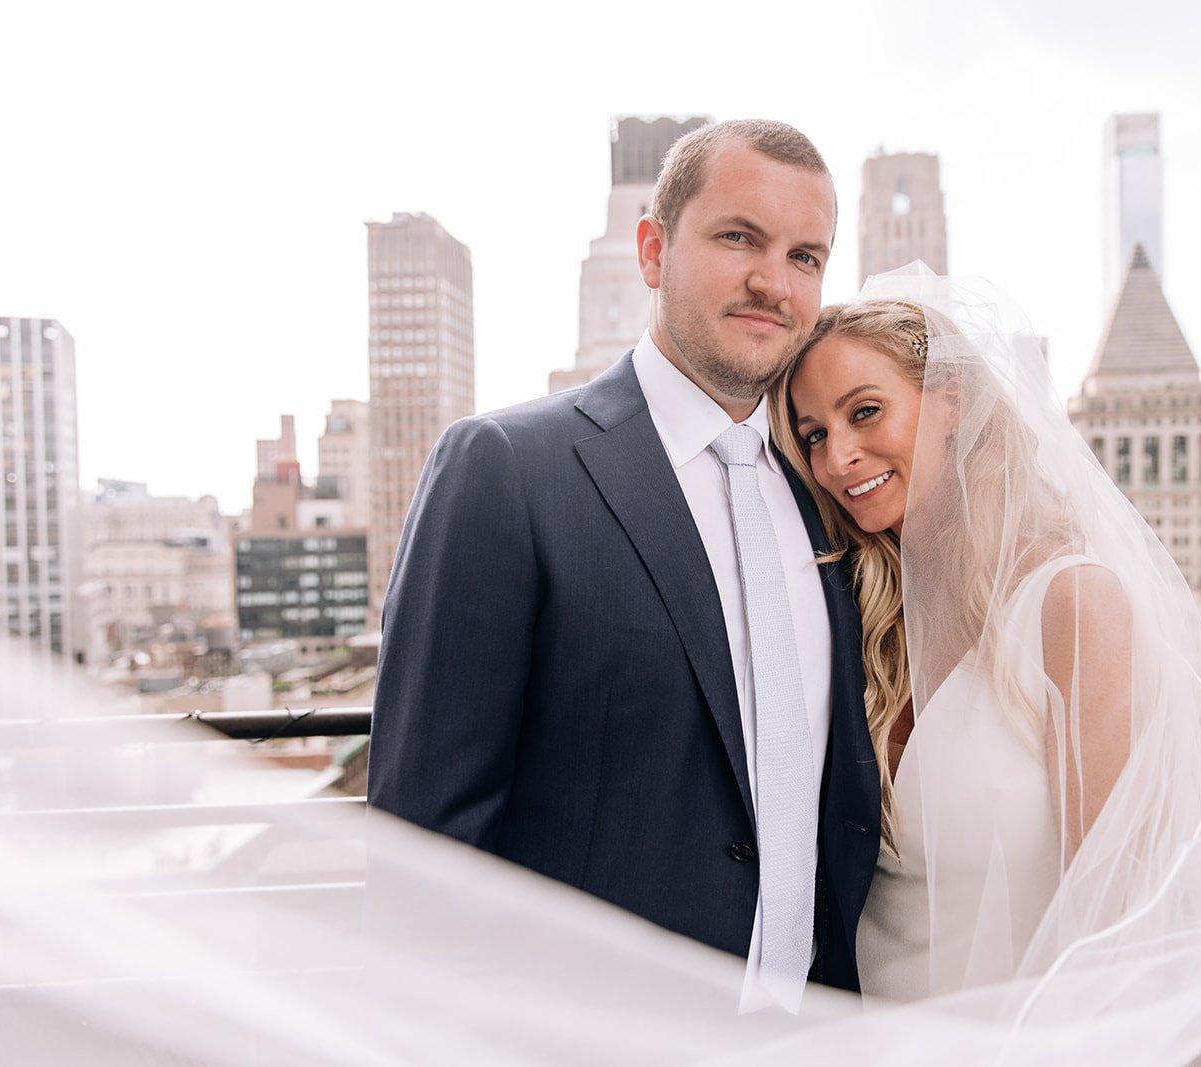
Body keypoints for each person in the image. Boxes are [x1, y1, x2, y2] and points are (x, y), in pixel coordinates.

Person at [366, 119, 881, 1010]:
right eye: (738, 238)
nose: (774, 280)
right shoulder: (506, 469)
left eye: (806, 257)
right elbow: (425, 855)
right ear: (652, 251)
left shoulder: (825, 495)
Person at [767, 265, 1201, 1062]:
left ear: (952, 401)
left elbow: (1122, 918)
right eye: (813, 435)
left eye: (865, 412)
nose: (838, 457)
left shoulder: (1071, 605)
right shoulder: (869, 620)